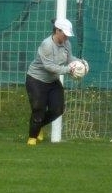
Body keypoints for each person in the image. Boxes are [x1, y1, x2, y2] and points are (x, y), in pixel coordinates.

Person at [25, 17, 84, 145]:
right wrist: (69, 70)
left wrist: (79, 63)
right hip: (36, 80)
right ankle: (32, 138)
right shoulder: (47, 44)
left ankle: (38, 125)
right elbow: (49, 67)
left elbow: (69, 59)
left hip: (52, 82)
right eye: (65, 34)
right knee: (38, 110)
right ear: (57, 31)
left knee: (58, 109)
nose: (67, 37)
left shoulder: (67, 44)